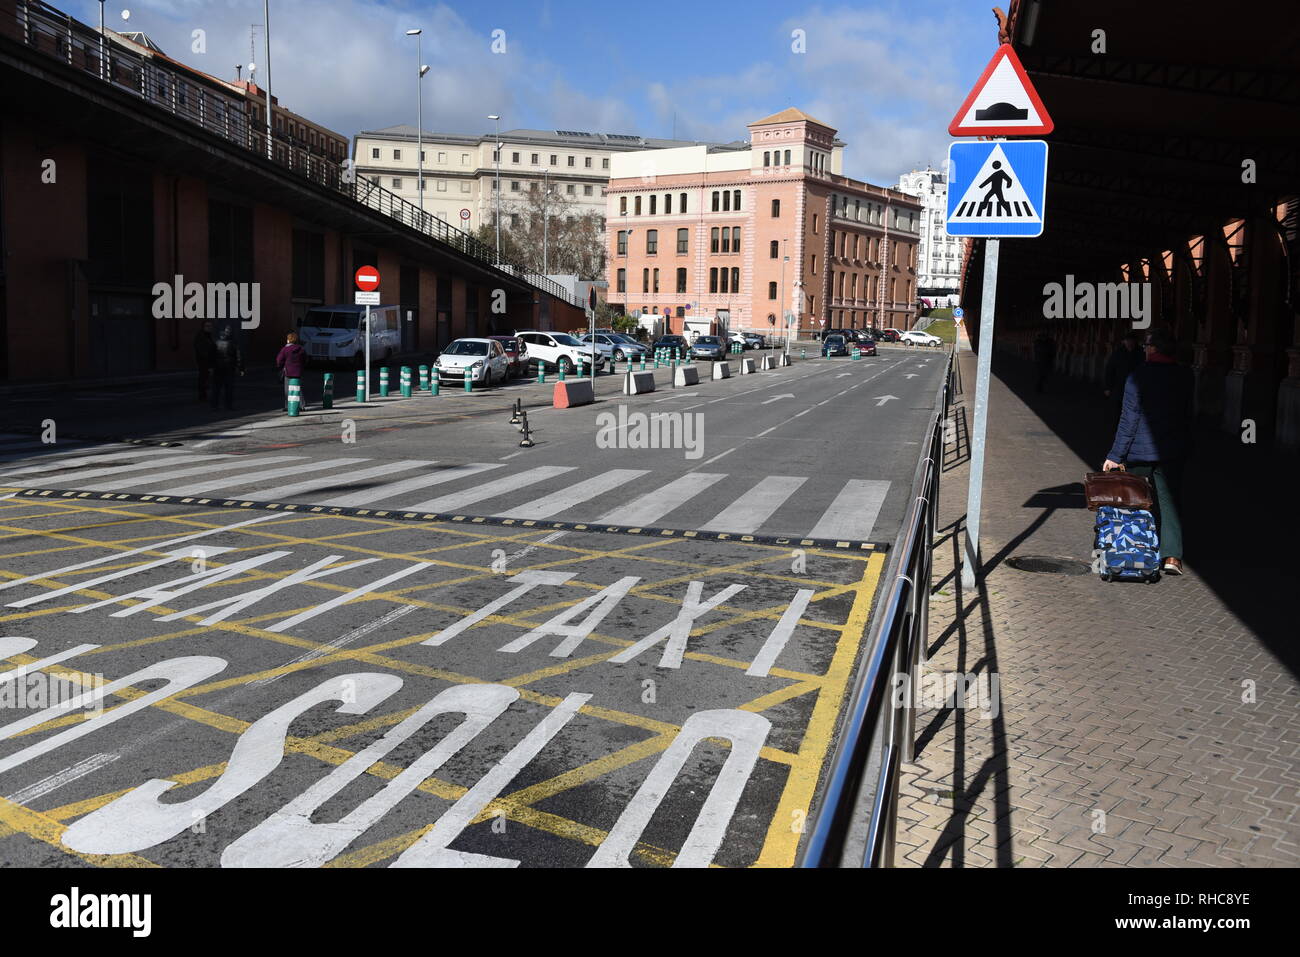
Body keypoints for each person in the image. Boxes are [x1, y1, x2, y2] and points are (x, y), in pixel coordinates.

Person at [1102, 329, 1194, 576]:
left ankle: (1136, 552)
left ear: (1153, 349)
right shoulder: (1186, 376)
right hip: (1172, 450)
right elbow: (1187, 414)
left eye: (1147, 345)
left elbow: (1129, 419)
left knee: (1135, 500)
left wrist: (1115, 455)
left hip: (1140, 451)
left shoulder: (1138, 376)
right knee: (1170, 502)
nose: (1144, 348)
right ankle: (1172, 556)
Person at [1102, 331, 1144, 427]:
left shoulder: (1141, 353)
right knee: (1117, 411)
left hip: (1136, 387)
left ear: (1135, 341)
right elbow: (1109, 370)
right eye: (1127, 340)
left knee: (1134, 410)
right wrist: (1107, 387)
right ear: (1124, 342)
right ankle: (1117, 429)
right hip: (1119, 387)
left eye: (1131, 340)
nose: (1129, 342)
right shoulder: (1117, 353)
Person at [210, 324, 244, 410]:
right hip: (229, 367)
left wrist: (211, 367)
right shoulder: (232, 343)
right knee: (228, 388)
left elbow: (211, 356)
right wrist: (240, 368)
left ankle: (214, 405)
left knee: (216, 388)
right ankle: (228, 405)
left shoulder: (216, 343)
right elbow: (238, 356)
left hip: (218, 368)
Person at [275, 331, 308, 412]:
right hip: (298, 372)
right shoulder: (301, 349)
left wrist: (281, 366)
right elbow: (305, 359)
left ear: (288, 340)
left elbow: (279, 360)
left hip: (288, 372)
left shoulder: (285, 349)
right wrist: (301, 366)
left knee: (287, 390)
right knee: (298, 389)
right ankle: (302, 405)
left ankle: (288, 406)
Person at [193, 320, 216, 403]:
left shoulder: (209, 336)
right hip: (203, 361)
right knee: (203, 378)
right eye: (207, 326)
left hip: (208, 361)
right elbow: (201, 350)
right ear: (203, 327)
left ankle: (204, 395)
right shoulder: (201, 336)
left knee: (205, 378)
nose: (209, 327)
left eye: (210, 326)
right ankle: (202, 396)